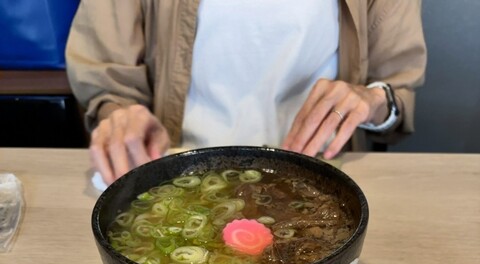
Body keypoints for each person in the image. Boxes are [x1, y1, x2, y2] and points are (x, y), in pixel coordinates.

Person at [66, 0, 426, 186]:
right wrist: (118, 114)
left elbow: (396, 94)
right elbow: (106, 75)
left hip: (322, 173)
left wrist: (371, 100)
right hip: (176, 169)